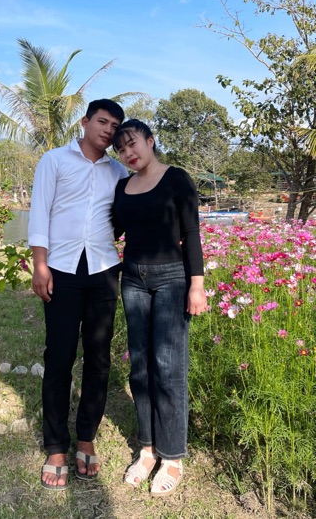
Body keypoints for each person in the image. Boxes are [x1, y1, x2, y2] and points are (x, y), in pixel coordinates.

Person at [28, 99, 128, 490]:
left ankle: (86, 436)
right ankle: (56, 446)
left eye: (114, 126)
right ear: (85, 122)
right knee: (59, 355)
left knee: (99, 358)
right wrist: (40, 265)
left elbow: (128, 215)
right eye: (102, 121)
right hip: (62, 269)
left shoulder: (118, 171)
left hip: (103, 269)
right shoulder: (54, 160)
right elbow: (40, 213)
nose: (108, 130)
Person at [112, 119, 207, 497]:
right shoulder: (123, 186)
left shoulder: (177, 179)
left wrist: (197, 285)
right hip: (133, 278)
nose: (128, 153)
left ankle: (173, 457)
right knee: (140, 366)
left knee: (169, 366)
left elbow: (192, 232)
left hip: (172, 279)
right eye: (121, 149)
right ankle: (148, 449)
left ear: (150, 141)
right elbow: (112, 230)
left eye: (132, 143)